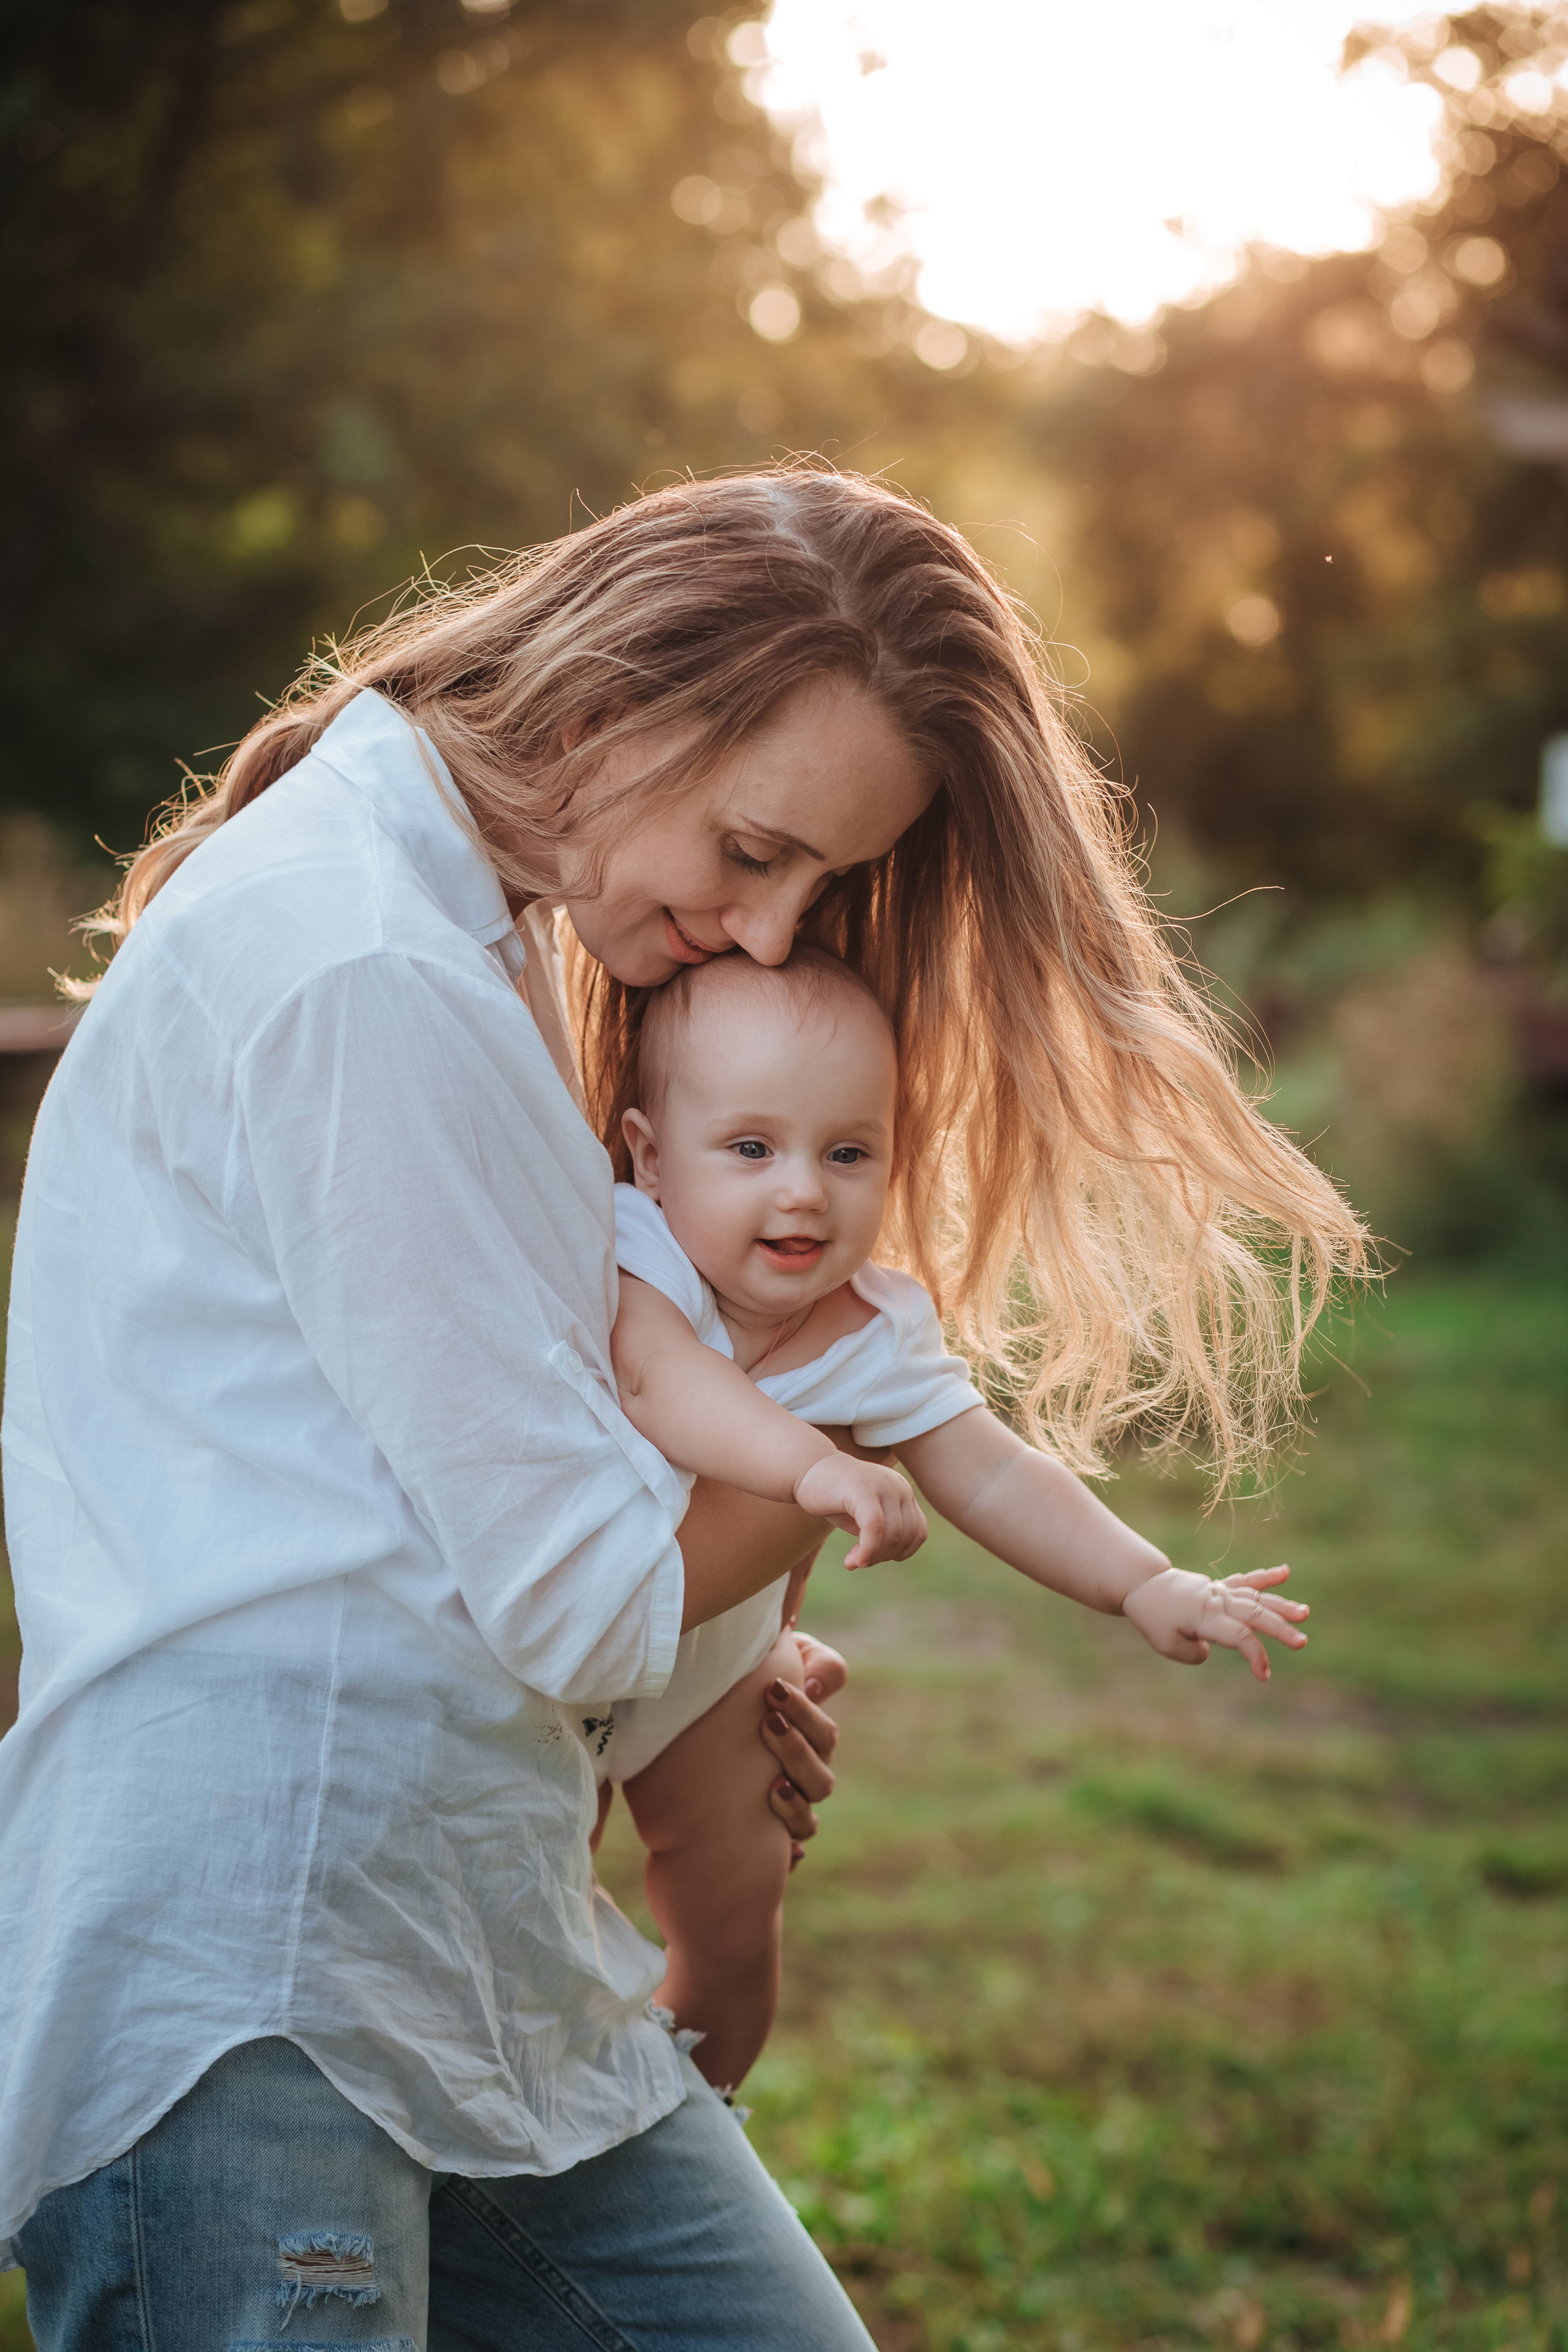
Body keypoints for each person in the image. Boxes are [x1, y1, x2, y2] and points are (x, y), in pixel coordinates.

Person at [0, 468, 1366, 2351]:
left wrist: (706, 1662)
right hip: (263, 1970)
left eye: (815, 888)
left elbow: (438, 1490)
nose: (764, 928)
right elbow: (576, 1599)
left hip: (465, 1942)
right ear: (617, 692)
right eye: (753, 848)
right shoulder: (365, 961)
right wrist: (818, 1463)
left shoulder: (438, 931)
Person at [587, 944, 1316, 2095]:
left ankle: (696, 2101)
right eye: (749, 1149)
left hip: (719, 1676)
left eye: (847, 1153)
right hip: (563, 1655)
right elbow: (655, 1385)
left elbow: (991, 1473)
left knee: (734, 1912)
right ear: (651, 1157)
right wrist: (814, 1470)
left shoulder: (878, 1331)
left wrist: (1142, 1582)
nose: (802, 1191)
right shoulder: (634, 1253)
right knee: (532, 1895)